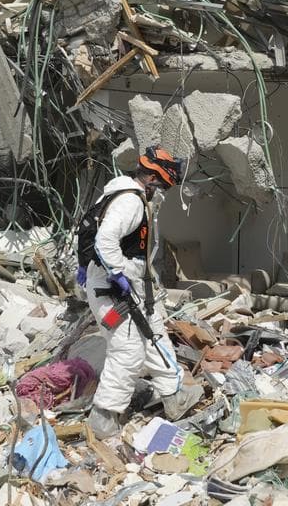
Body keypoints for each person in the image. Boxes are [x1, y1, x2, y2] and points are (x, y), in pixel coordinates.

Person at [78, 146, 202, 437]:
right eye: (164, 186)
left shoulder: (118, 194)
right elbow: (105, 239)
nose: (163, 193)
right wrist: (117, 274)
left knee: (154, 334)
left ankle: (174, 396)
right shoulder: (130, 202)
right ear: (154, 179)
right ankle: (103, 417)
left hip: (132, 284)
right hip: (114, 289)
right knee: (128, 349)